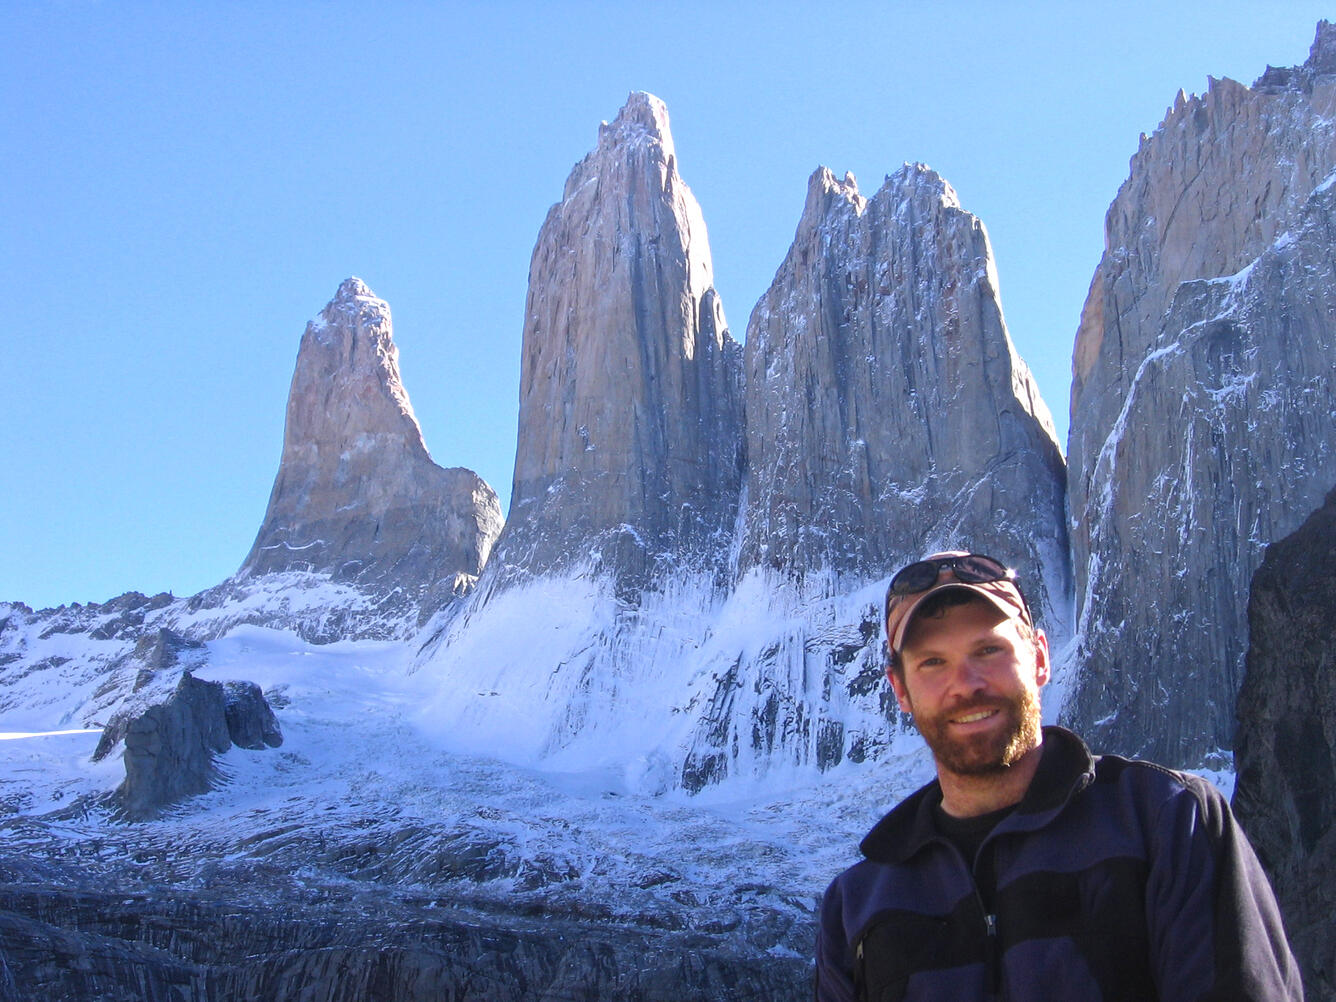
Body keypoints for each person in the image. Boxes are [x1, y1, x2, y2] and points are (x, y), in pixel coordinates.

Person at [815, 551, 1303, 1001]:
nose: (966, 685)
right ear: (899, 689)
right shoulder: (856, 905)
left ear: (1040, 657)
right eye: (933, 663)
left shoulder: (1167, 821)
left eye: (988, 650)